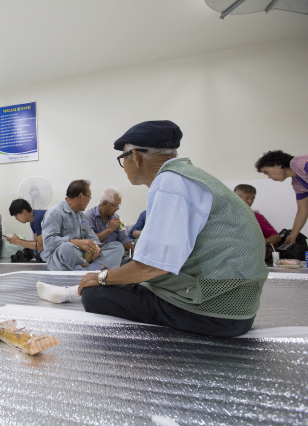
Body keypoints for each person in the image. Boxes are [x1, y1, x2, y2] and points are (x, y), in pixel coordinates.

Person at [49, 120, 267, 338]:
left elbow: (151, 266)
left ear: (135, 156)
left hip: (214, 310)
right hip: (239, 304)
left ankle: (76, 287)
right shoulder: (193, 178)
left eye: (122, 160)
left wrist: (102, 277)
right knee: (93, 257)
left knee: (94, 293)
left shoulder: (170, 183)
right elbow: (50, 242)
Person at [40, 180, 125, 272]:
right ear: (80, 196)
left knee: (117, 247)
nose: (89, 201)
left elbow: (93, 238)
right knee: (67, 248)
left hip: (82, 257)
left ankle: (87, 269)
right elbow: (48, 242)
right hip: (61, 258)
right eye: (89, 197)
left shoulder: (82, 216)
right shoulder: (55, 213)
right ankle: (90, 268)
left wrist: (96, 248)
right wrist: (75, 242)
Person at [255, 150, 308, 245]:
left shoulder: (301, 164)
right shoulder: (298, 183)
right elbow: (303, 210)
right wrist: (293, 235)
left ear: (278, 164)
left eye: (267, 172)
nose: (269, 177)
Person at [85, 187, 134, 252]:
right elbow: (90, 240)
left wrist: (133, 250)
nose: (118, 208)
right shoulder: (89, 216)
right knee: (118, 247)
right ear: (105, 203)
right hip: (96, 255)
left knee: (119, 247)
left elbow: (123, 239)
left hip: (113, 255)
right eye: (116, 205)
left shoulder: (116, 217)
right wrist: (109, 229)